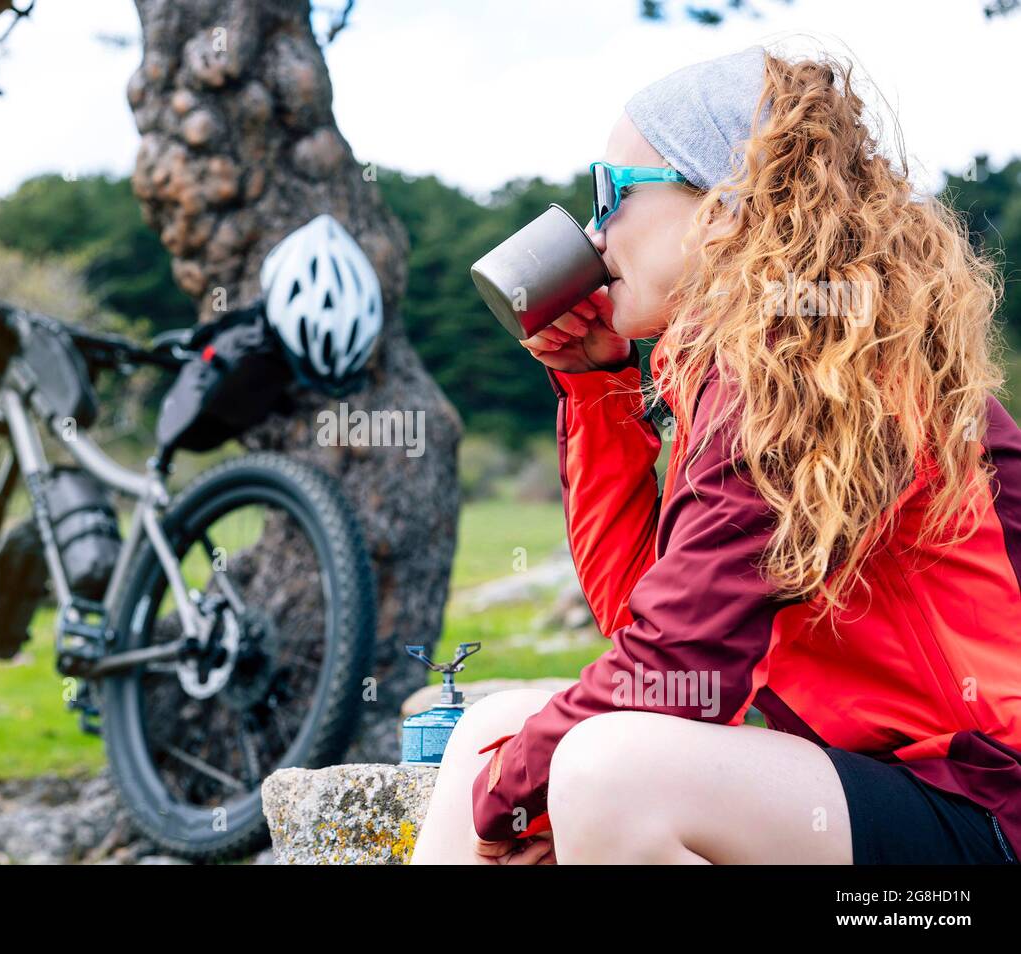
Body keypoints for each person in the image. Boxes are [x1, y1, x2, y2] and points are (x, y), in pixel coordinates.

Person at [412, 46, 1021, 865]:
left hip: (986, 802)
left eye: (611, 194)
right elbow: (647, 621)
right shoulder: (752, 364)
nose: (593, 234)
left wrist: (510, 801)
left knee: (602, 771)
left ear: (726, 208)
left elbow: (675, 668)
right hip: (880, 783)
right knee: (495, 731)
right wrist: (594, 387)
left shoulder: (811, 374)